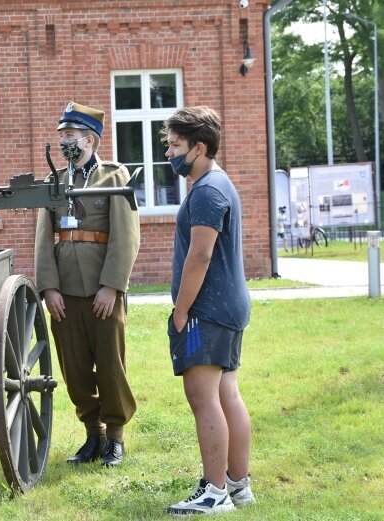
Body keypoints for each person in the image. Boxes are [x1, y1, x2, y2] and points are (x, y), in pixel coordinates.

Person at [34, 102, 140, 468]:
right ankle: (92, 436)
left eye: (70, 135)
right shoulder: (54, 182)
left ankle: (114, 437)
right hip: (65, 294)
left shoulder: (114, 177)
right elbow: (43, 238)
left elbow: (126, 237)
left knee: (110, 365)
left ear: (91, 140)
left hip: (101, 292)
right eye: (61, 135)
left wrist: (112, 286)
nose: (63, 141)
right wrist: (48, 288)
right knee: (75, 369)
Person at [162, 106, 254, 515]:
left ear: (200, 147)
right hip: (229, 307)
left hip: (207, 312)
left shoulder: (206, 191)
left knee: (204, 399)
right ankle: (238, 486)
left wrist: (181, 312)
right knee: (227, 394)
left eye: (175, 145)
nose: (169, 153)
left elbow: (199, 257)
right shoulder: (217, 183)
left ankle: (215, 491)